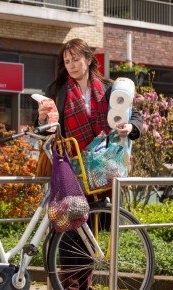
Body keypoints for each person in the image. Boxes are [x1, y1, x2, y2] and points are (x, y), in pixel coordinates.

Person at [36, 38, 143, 290]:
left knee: (89, 229)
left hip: (101, 168)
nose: (71, 65)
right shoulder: (57, 89)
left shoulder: (109, 87)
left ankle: (84, 285)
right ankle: (71, 286)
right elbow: (44, 129)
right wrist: (41, 119)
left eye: (75, 59)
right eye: (67, 61)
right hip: (69, 167)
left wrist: (130, 127)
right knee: (67, 229)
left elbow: (134, 116)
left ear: (88, 59)